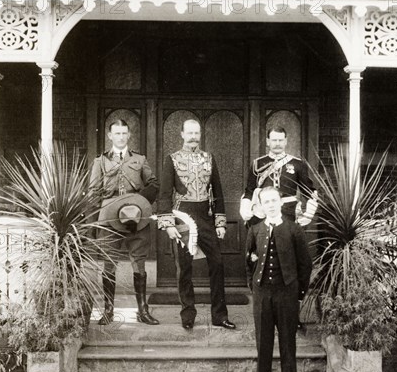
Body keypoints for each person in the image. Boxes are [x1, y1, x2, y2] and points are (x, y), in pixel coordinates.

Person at [236, 186, 312, 372]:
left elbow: (305, 265)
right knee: (263, 345)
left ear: (280, 202)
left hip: (287, 294)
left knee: (288, 345)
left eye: (273, 200)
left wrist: (298, 294)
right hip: (262, 295)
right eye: (265, 201)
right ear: (260, 205)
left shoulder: (294, 229)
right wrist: (254, 287)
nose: (270, 204)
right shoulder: (255, 230)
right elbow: (248, 261)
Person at [157, 119, 236, 331]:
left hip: (206, 216)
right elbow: (164, 194)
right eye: (189, 133)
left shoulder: (209, 158)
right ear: (182, 134)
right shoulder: (172, 159)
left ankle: (219, 315)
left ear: (200, 135)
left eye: (196, 133)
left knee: (217, 264)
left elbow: (217, 191)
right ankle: (188, 314)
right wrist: (168, 223)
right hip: (183, 217)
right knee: (184, 268)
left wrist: (220, 222)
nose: (193, 137)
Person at [90, 119, 160, 326]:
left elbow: (153, 183)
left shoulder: (139, 159)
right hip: (109, 217)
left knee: (139, 262)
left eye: (124, 133)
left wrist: (141, 203)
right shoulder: (100, 162)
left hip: (136, 216)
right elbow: (94, 192)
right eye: (116, 134)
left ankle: (142, 310)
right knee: (109, 263)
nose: (121, 137)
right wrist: (94, 224)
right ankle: (109, 311)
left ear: (129, 135)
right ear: (109, 136)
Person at [240, 126, 317, 227]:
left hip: (288, 215)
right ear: (268, 142)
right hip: (262, 214)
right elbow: (250, 190)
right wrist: (245, 207)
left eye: (280, 140)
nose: (277, 143)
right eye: (274, 140)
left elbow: (308, 192)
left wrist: (309, 213)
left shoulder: (298, 164)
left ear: (285, 141)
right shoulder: (257, 164)